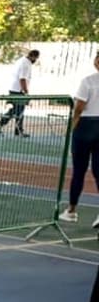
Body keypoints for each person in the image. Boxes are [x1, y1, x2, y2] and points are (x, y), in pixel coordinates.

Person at [59, 51, 99, 225]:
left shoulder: (88, 81)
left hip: (85, 126)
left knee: (79, 171)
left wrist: (72, 127)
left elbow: (79, 107)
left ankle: (72, 210)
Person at [0, 49, 39, 137]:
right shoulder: (26, 64)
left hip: (14, 88)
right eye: (36, 58)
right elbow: (22, 78)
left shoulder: (21, 60)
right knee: (18, 111)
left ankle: (16, 130)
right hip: (18, 90)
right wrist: (25, 91)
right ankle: (3, 124)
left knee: (18, 110)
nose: (36, 60)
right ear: (33, 56)